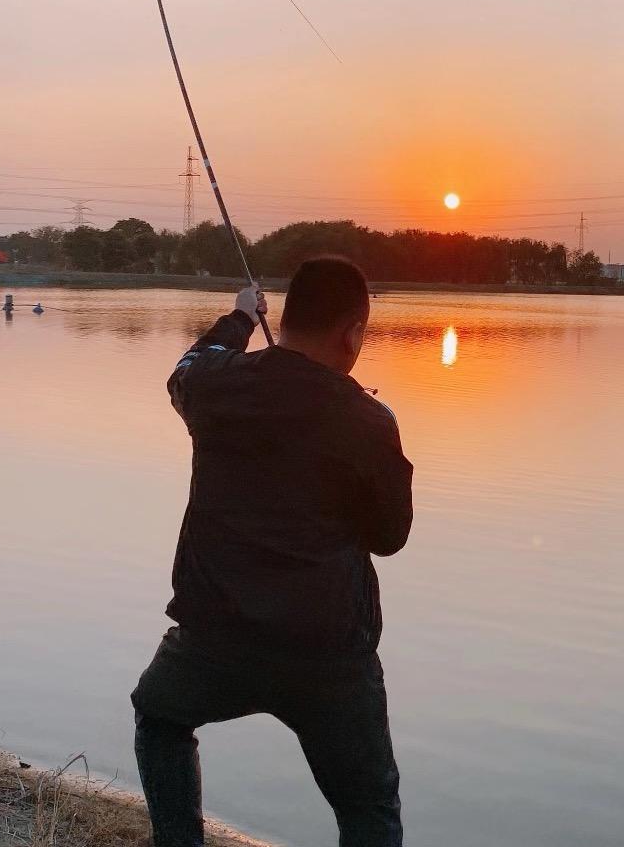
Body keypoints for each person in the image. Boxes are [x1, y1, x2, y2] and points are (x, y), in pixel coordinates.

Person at [131, 256, 413, 847]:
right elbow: (389, 538)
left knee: (161, 715)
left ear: (282, 320)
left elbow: (187, 368)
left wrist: (237, 318)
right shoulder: (368, 420)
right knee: (368, 807)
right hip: (328, 650)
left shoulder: (215, 386)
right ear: (353, 333)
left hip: (216, 635)